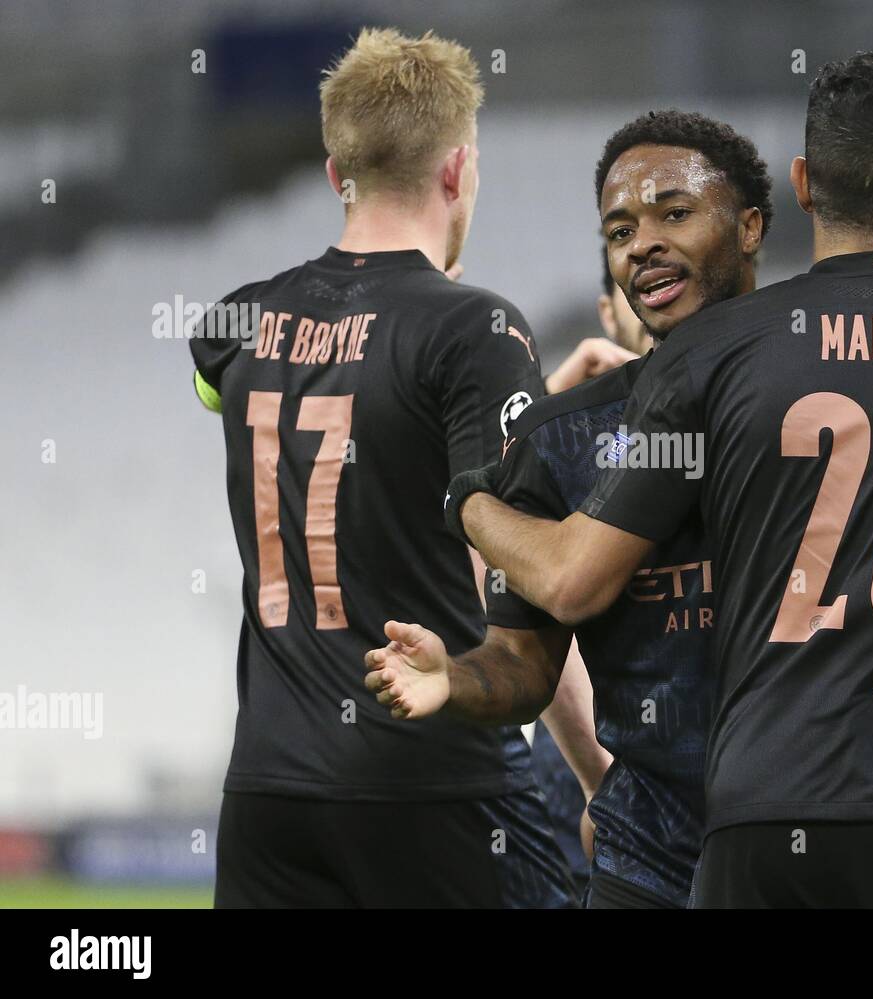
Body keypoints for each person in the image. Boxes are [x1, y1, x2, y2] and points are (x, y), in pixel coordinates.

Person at [436, 52, 873, 907]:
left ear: (799, 186)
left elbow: (572, 575)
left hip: (763, 814)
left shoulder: (714, 357)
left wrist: (466, 495)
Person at [189, 27, 580, 907]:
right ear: (457, 170)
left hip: (269, 794)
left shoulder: (234, 324)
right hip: (436, 784)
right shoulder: (472, 330)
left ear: (337, 175)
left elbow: (276, 387)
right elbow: (509, 533)